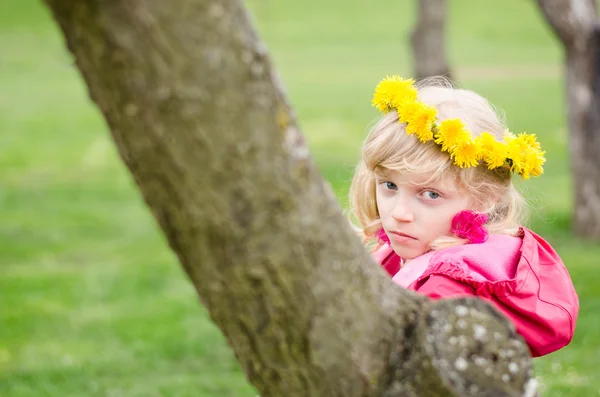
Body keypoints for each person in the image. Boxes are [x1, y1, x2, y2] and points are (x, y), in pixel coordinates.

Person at [349, 75, 579, 357]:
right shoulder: (427, 251)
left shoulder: (439, 296)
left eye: (431, 194)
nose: (399, 213)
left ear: (484, 198)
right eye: (389, 186)